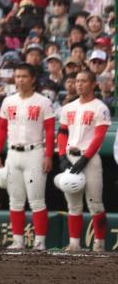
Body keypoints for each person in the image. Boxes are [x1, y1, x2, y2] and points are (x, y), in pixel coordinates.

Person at [0, 63, 54, 250]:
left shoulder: (43, 101)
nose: (20, 80)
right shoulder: (9, 101)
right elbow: (2, 128)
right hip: (12, 153)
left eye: (24, 76)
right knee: (15, 200)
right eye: (17, 76)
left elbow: (50, 131)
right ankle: (18, 240)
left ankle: (40, 241)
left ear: (33, 78)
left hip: (34, 152)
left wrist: (48, 155)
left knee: (36, 200)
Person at [57, 69, 111, 252]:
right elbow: (62, 133)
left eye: (83, 81)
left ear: (93, 84)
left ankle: (99, 243)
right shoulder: (68, 107)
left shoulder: (100, 107)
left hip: (89, 158)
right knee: (73, 205)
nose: (79, 84)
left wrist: (85, 158)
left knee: (95, 203)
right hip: (71, 156)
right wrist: (62, 156)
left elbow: (99, 136)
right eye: (77, 81)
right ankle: (74, 243)